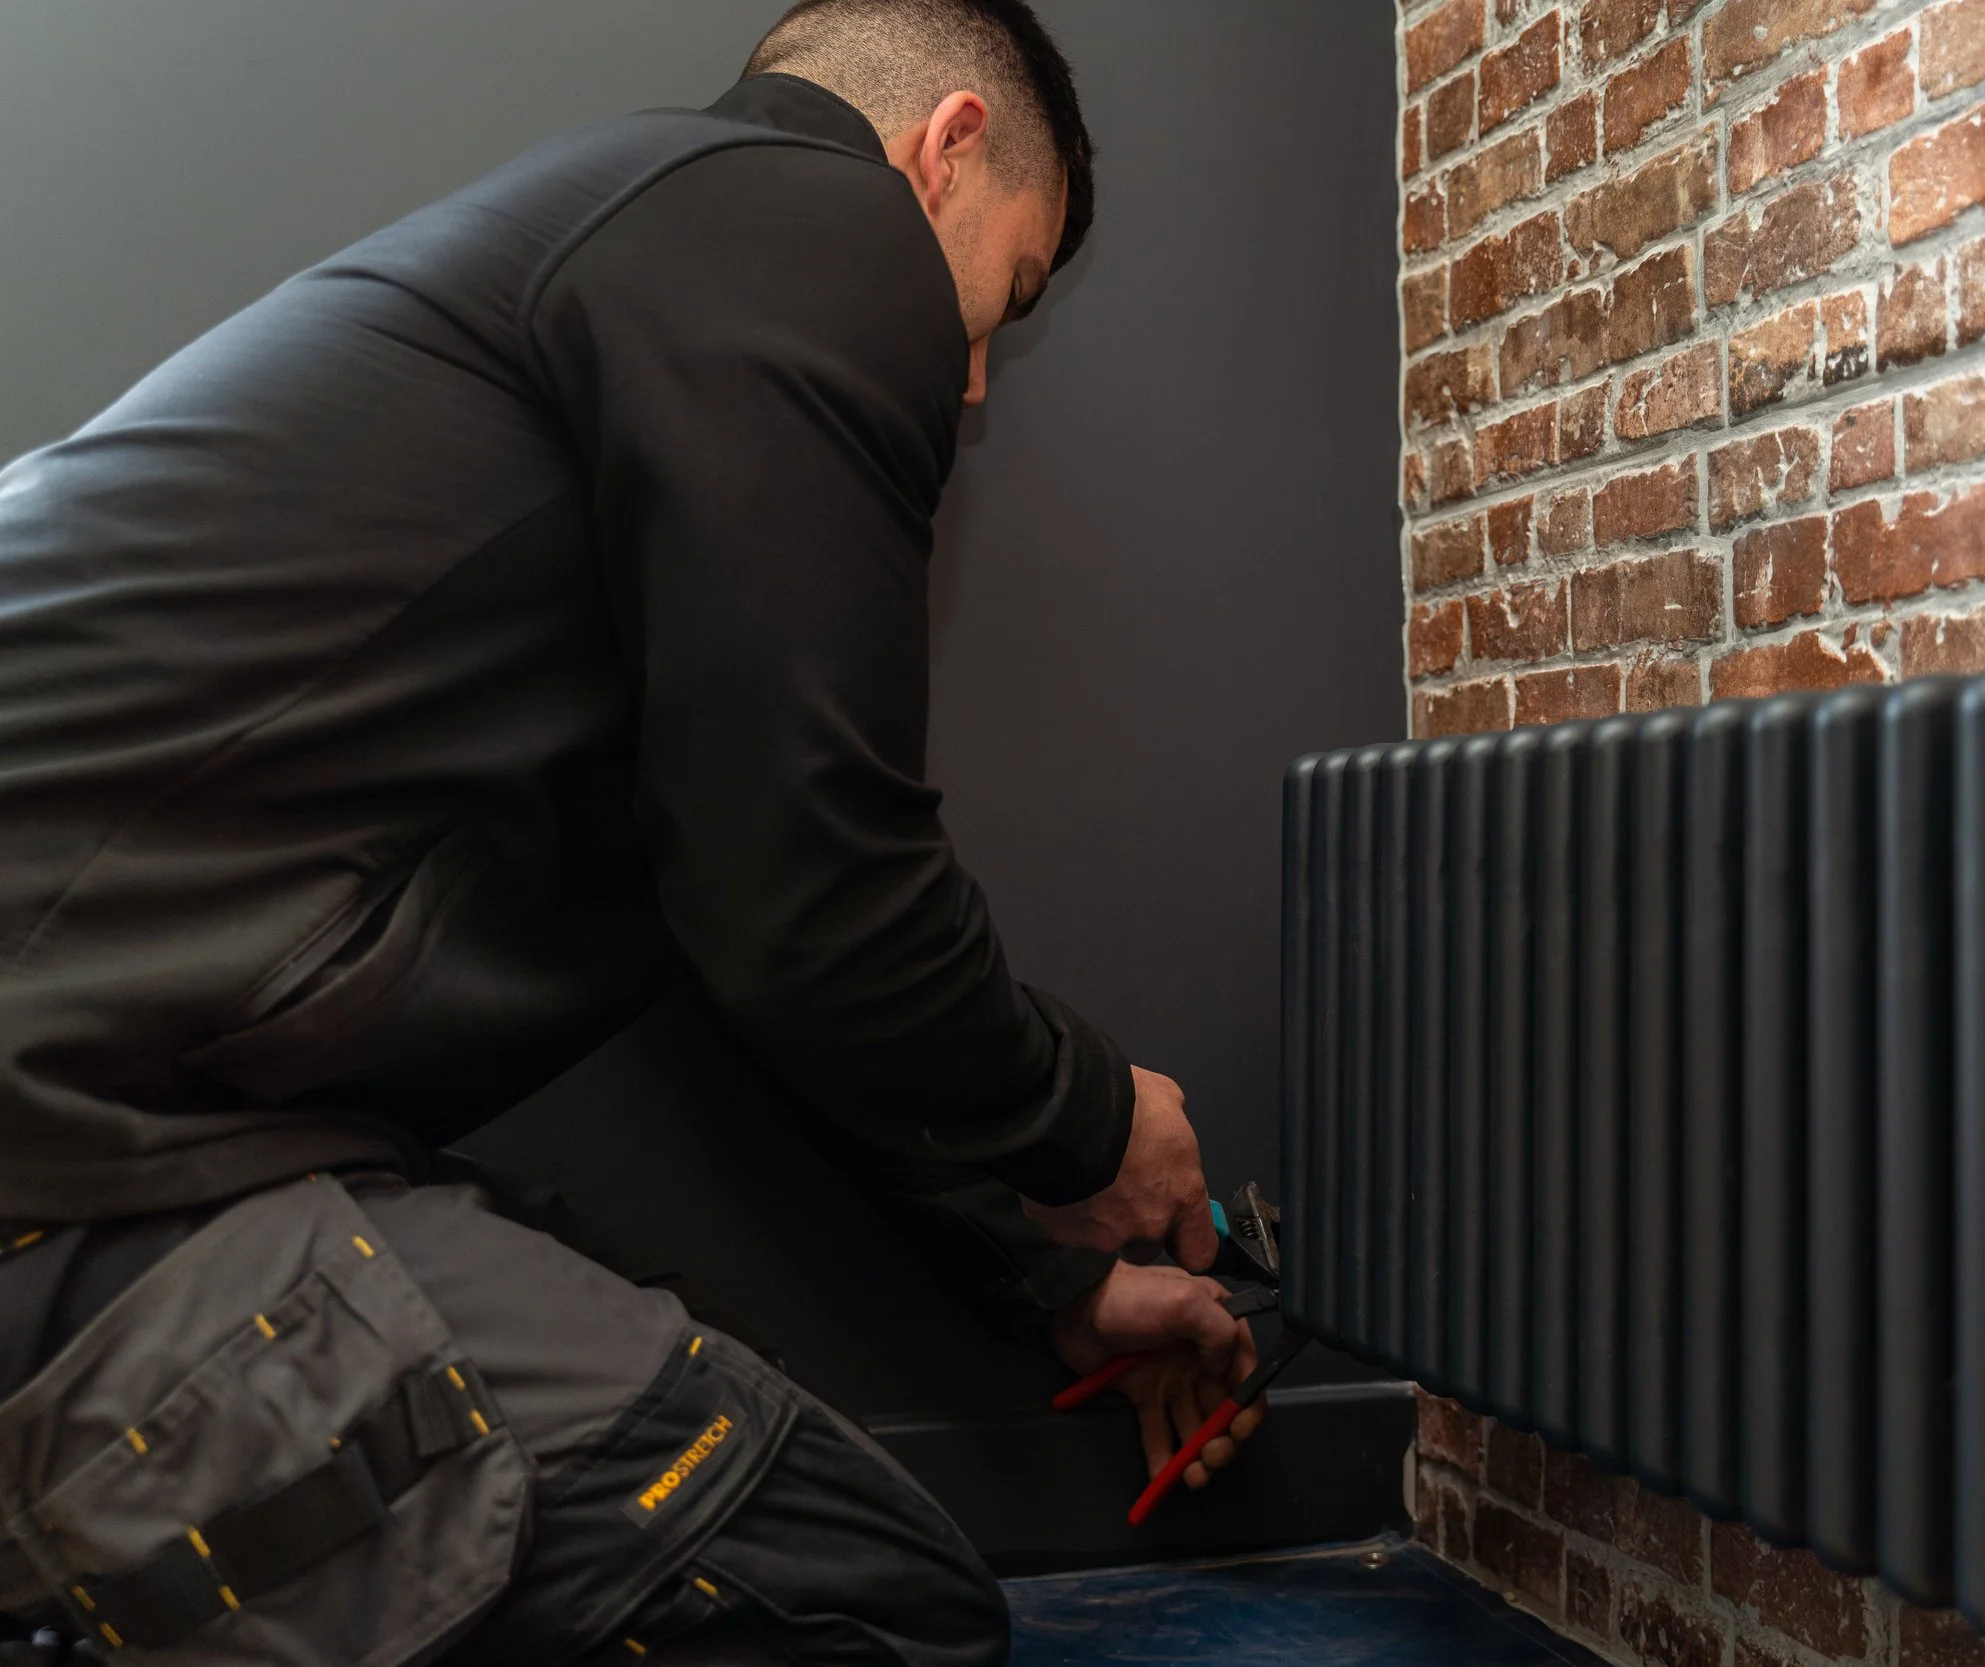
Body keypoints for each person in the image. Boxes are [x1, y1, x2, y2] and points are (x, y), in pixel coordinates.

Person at [0, 2, 1262, 1662]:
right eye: (998, 303)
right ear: (941, 151)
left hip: (117, 1126)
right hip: (71, 1165)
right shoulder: (805, 217)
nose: (963, 382)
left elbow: (748, 917)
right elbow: (827, 896)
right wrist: (1094, 1122)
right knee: (865, 1607)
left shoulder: (607, 263)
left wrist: (1045, 1271)